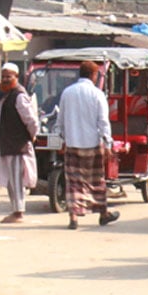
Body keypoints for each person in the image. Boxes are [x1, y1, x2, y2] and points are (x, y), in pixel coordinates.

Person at [55, 60, 117, 230]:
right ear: (94, 75)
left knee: (74, 182)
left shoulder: (67, 93)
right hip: (92, 145)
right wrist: (108, 143)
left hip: (72, 144)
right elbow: (103, 122)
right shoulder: (97, 95)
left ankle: (73, 217)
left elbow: (59, 121)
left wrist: (61, 139)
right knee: (96, 181)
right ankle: (103, 214)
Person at [0, 62, 40, 223]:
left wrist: (33, 135)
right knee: (11, 181)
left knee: (16, 180)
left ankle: (18, 212)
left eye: (8, 76)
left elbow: (31, 120)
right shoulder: (7, 94)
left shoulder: (19, 95)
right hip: (9, 145)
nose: (5, 79)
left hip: (17, 146)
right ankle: (15, 210)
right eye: (3, 76)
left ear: (16, 77)